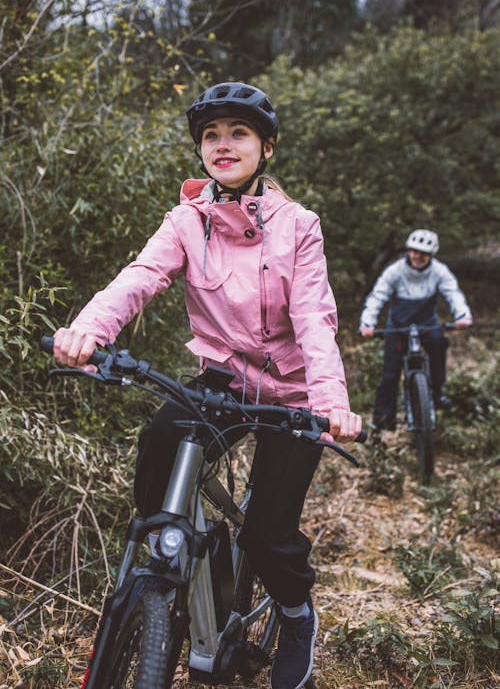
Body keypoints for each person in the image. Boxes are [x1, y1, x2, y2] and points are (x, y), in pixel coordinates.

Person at [53, 81, 362, 689]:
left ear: (266, 148)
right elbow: (140, 277)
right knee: (157, 450)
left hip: (294, 392)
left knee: (269, 534)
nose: (223, 144)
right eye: (211, 135)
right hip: (222, 377)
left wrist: (330, 403)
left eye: (238, 133)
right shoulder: (187, 221)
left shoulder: (299, 225)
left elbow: (313, 317)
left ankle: (297, 617)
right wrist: (88, 330)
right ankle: (184, 568)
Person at [359, 228, 473, 432]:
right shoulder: (395, 271)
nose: (418, 256)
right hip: (399, 327)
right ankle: (383, 421)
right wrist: (368, 323)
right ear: (409, 251)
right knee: (390, 374)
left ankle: (436, 393)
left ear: (431, 255)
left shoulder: (439, 271)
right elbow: (378, 296)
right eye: (414, 251)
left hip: (427, 324)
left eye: (423, 253)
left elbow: (452, 292)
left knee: (438, 343)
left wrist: (462, 315)